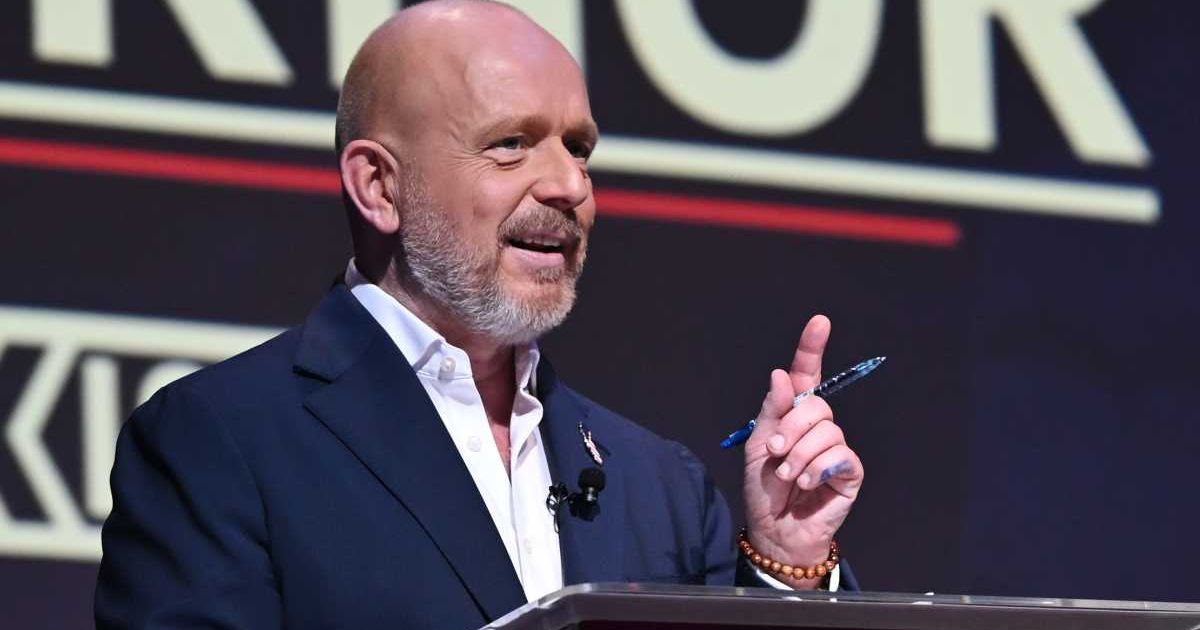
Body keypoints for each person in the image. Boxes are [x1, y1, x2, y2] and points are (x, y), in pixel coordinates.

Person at [94, 1, 864, 628]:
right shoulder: (221, 443)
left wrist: (787, 564)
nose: (569, 185)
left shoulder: (659, 485)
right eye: (511, 144)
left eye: (579, 148)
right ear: (380, 187)